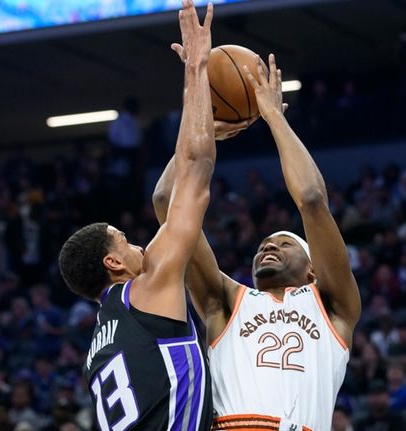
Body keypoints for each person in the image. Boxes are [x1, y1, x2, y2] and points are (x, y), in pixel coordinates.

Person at [152, 54, 361, 430]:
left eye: (284, 243)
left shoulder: (334, 306)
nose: (269, 247)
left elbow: (312, 198)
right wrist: (204, 134)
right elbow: (167, 201)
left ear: (313, 268)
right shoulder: (226, 301)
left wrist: (274, 117)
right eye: (265, 244)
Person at [57, 1, 217, 429]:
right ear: (113, 263)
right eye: (125, 240)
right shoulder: (144, 292)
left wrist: (205, 125)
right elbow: (195, 175)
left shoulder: (99, 342)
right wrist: (197, 70)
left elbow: (165, 192)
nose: (139, 244)